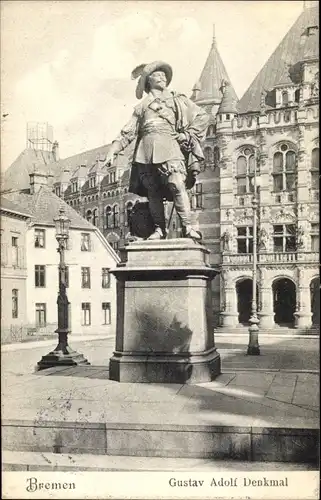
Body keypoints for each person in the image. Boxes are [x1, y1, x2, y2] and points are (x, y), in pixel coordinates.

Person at [104, 60, 209, 240]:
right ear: (147, 81)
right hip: (145, 151)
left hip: (170, 146)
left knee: (176, 182)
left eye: (164, 75)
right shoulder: (141, 107)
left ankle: (188, 227)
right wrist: (113, 150)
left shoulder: (178, 99)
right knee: (153, 191)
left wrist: (189, 135)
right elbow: (128, 131)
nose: (162, 77)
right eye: (156, 74)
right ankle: (160, 229)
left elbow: (203, 116)